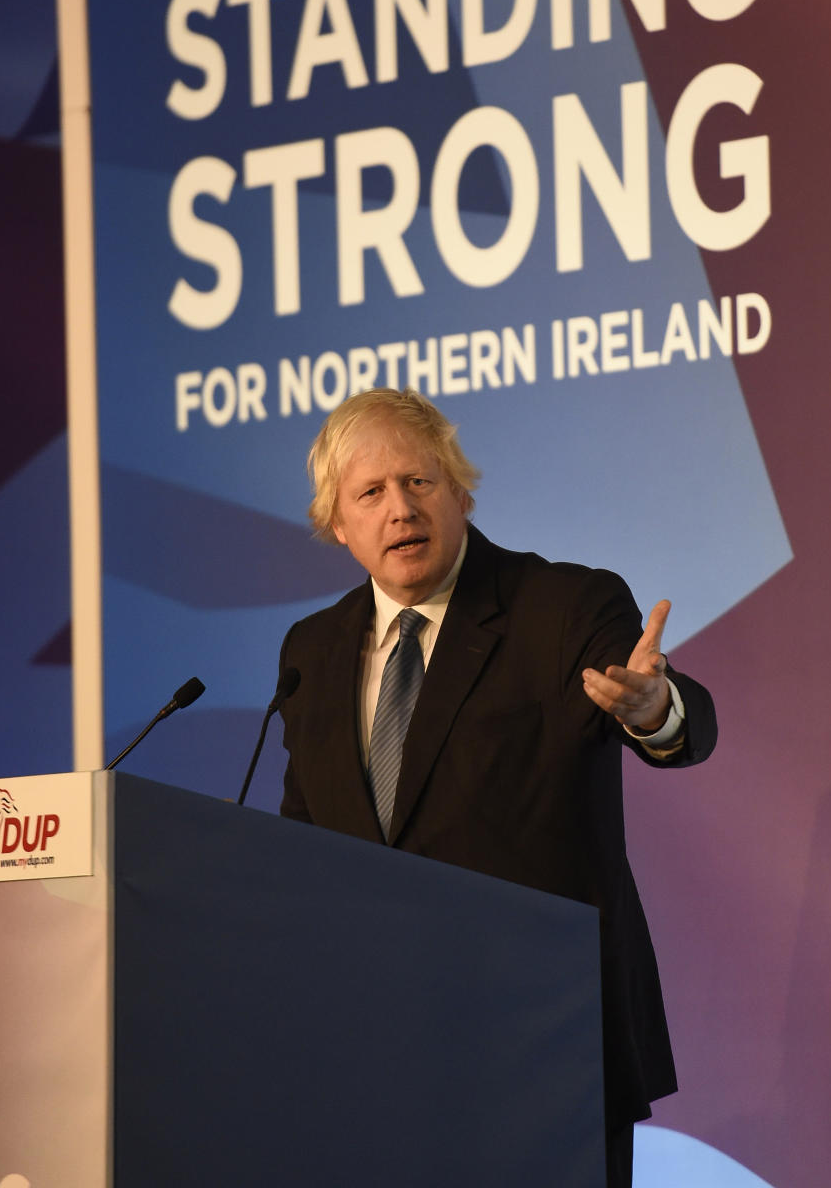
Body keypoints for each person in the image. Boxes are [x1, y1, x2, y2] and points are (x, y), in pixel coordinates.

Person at [277, 388, 717, 1188]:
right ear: (338, 524)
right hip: (378, 1066)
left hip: (544, 1050)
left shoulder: (562, 607)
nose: (399, 509)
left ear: (461, 490)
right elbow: (301, 843)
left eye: (419, 481)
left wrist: (655, 709)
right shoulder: (314, 649)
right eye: (370, 493)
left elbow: (674, 719)